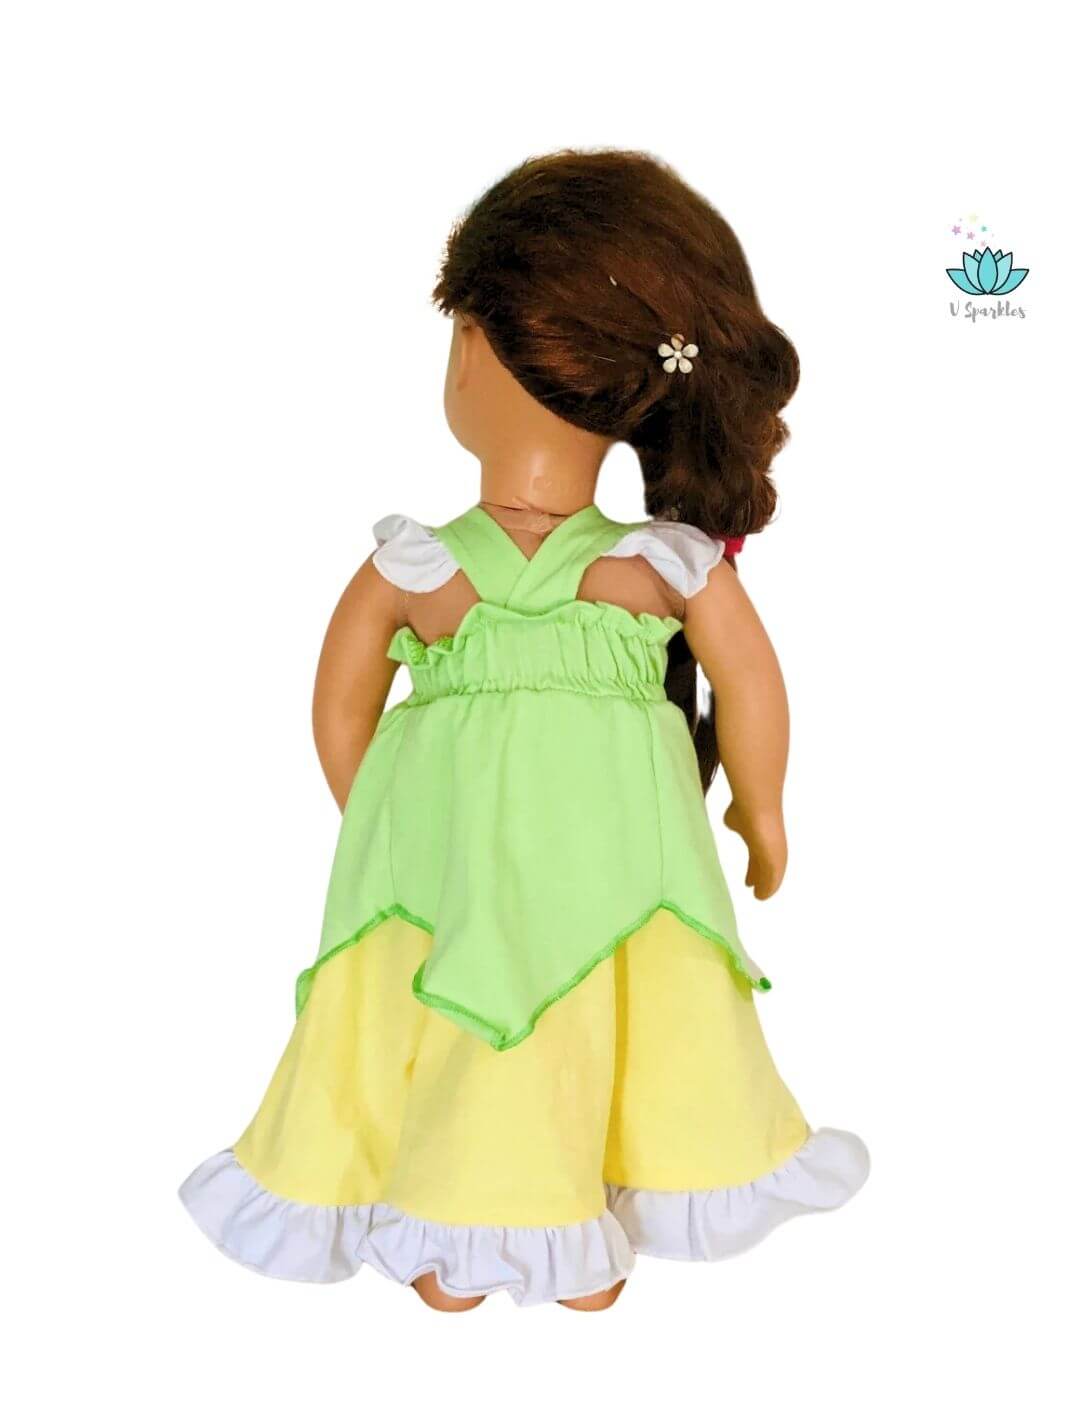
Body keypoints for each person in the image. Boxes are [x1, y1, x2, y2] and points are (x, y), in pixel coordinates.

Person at [179, 148, 869, 1311]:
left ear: (471, 349)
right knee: (582, 1016)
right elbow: (753, 691)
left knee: (505, 1020)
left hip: (530, 867)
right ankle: (539, 1215)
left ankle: (517, 1213)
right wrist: (762, 809)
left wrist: (384, 815)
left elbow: (340, 709)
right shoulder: (637, 569)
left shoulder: (446, 570)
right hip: (571, 858)